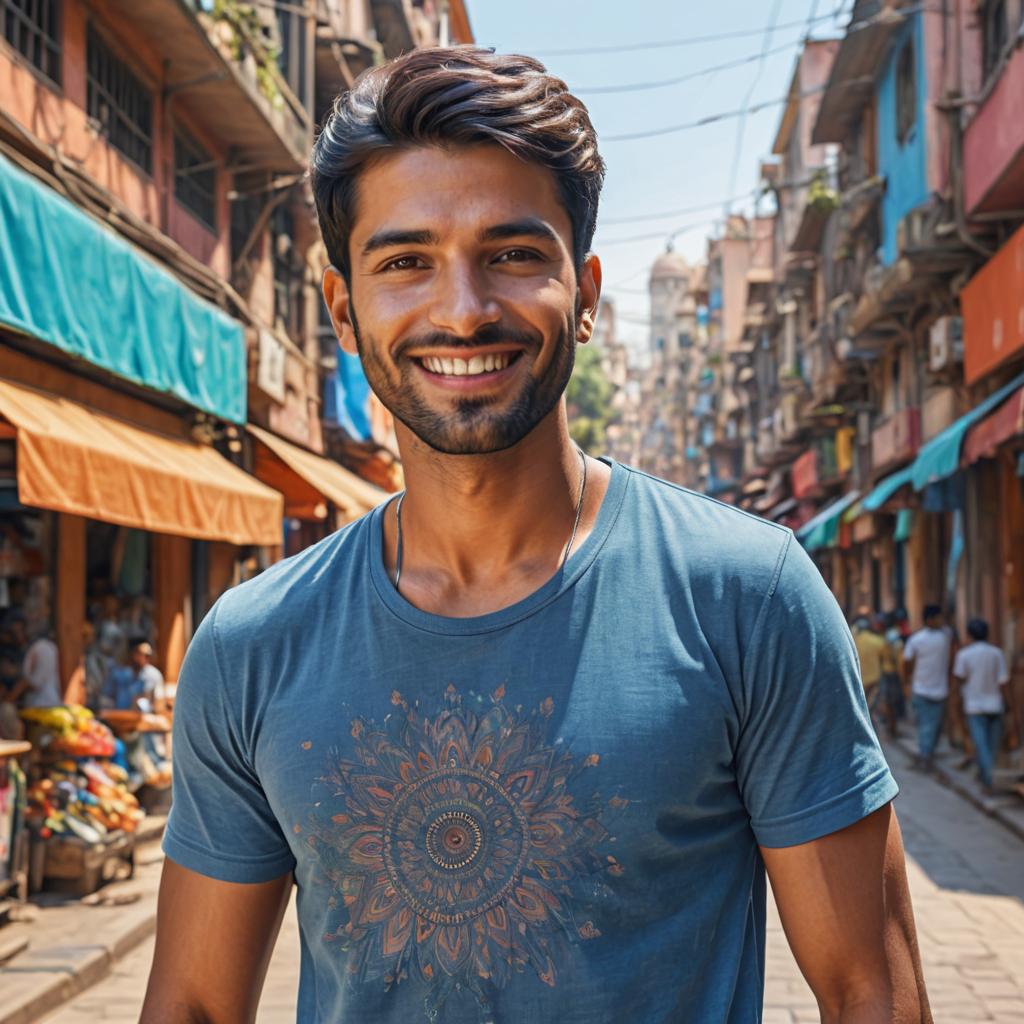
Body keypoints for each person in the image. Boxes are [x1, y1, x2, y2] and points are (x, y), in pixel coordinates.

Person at [143, 48, 930, 1023]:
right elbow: (192, 1006)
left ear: (587, 291)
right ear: (344, 308)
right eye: (405, 263)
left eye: (513, 254)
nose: (463, 309)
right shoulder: (250, 644)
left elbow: (874, 991)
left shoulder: (746, 596)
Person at [953, 618, 1016, 793]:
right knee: (990, 746)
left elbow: (959, 679)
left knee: (981, 746)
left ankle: (988, 781)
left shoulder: (964, 654)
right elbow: (1003, 682)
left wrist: (957, 704)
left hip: (974, 707)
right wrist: (1009, 704)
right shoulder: (996, 653)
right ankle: (985, 777)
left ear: (970, 635)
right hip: (995, 705)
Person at [903, 604, 954, 772]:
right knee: (927, 726)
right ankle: (925, 758)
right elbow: (907, 663)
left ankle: (926, 756)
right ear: (929, 620)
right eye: (938, 617)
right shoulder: (920, 639)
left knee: (932, 726)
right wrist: (908, 682)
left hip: (936, 689)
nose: (941, 621)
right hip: (922, 688)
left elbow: (907, 663)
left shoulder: (945, 635)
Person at [102, 640, 164, 712]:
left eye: (148, 656)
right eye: (141, 654)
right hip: (118, 717)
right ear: (132, 654)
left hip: (143, 719)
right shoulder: (119, 674)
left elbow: (159, 702)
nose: (145, 658)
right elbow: (107, 696)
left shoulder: (154, 675)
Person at [852, 610, 889, 718]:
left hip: (857, 682)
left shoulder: (852, 641)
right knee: (871, 710)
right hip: (874, 682)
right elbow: (886, 663)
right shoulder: (878, 641)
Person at [21, 628, 62, 709]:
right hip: (50, 699)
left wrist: (19, 688)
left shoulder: (40, 648)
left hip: (41, 703)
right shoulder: (51, 647)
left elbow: (36, 683)